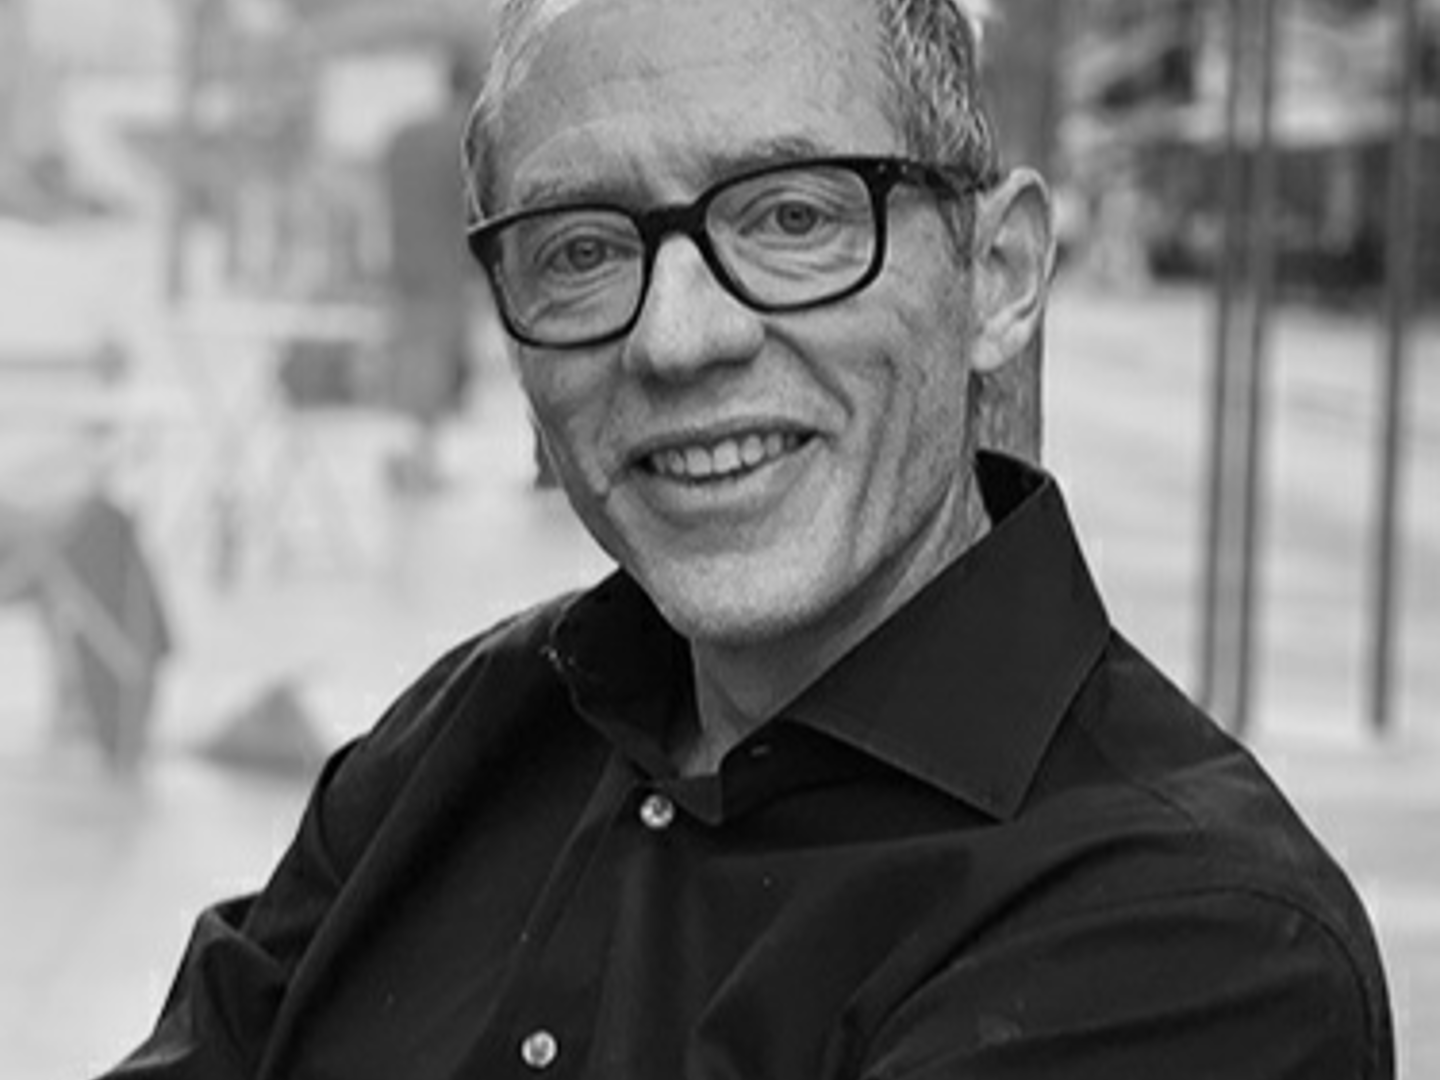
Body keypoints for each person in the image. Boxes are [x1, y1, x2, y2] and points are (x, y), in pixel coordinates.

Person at [101, 0, 1393, 1077]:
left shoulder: (1191, 943)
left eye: (791, 219)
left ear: (997, 276)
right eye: (583, 250)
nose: (679, 338)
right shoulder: (465, 737)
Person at [379, 50, 485, 493]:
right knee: (434, 365)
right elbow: (473, 205)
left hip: (404, 265)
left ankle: (417, 456)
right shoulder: (462, 139)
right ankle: (421, 461)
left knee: (414, 359)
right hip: (445, 269)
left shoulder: (404, 135)